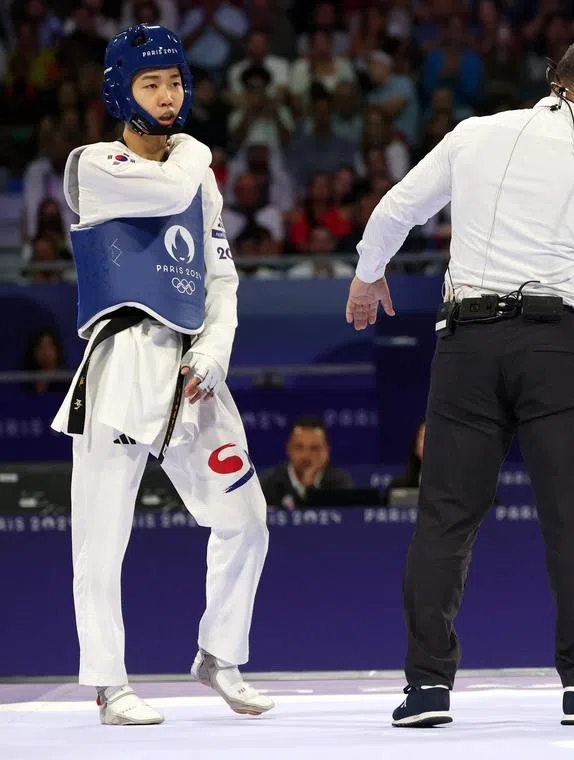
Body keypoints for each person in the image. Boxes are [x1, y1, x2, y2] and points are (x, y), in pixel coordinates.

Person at [345, 28, 574, 727]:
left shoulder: (476, 133)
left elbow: (396, 208)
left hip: (465, 347)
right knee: (571, 524)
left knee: (444, 517)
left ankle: (424, 689)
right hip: (557, 353)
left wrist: (367, 274)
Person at [49, 24, 273, 726]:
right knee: (101, 537)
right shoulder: (93, 164)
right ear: (122, 89)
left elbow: (222, 279)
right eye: (153, 83)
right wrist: (200, 152)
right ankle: (109, 684)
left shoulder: (195, 175)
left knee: (247, 518)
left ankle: (219, 655)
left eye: (175, 80)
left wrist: (214, 352)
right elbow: (172, 182)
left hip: (191, 369)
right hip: (122, 367)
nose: (169, 94)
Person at [259, 415, 355, 509]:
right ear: (288, 449)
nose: (306, 455)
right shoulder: (267, 484)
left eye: (314, 448)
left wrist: (309, 487)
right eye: (299, 447)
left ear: (326, 451)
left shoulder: (341, 485)